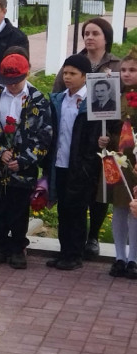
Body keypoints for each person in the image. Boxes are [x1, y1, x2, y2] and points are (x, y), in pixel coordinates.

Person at [51, 18, 121, 258]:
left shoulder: (116, 65)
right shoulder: (68, 80)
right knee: (66, 207)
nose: (89, 37)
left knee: (86, 203)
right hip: (64, 159)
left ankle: (83, 245)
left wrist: (107, 139)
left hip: (88, 156)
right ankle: (67, 251)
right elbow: (57, 93)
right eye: (86, 33)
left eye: (95, 33)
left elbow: (113, 112)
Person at [0, 54, 52, 269]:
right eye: (7, 82)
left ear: (26, 75)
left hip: (23, 166)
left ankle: (18, 248)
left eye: (15, 82)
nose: (11, 86)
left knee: (19, 209)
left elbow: (44, 135)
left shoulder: (38, 98)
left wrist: (24, 159)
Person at [45, 54, 101, 271]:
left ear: (85, 77)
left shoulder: (92, 104)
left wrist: (87, 166)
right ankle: (64, 252)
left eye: (73, 74)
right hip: (59, 163)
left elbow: (94, 139)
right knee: (63, 211)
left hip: (80, 167)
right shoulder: (59, 100)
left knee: (76, 210)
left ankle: (75, 254)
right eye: (65, 73)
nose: (67, 77)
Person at [100, 49, 137, 278]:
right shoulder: (115, 94)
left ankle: (133, 258)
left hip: (135, 157)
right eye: (123, 70)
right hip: (117, 154)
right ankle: (119, 257)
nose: (126, 74)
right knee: (119, 207)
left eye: (132, 70)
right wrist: (104, 140)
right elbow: (109, 124)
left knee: (135, 208)